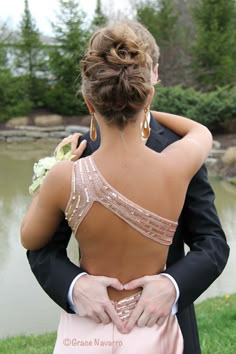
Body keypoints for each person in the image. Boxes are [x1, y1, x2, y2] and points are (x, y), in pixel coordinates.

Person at [25, 21, 229, 354]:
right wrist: (74, 287)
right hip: (91, 328)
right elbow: (42, 248)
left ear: (155, 74)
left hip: (169, 326)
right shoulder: (76, 151)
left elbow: (212, 243)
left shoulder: (175, 145)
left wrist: (172, 285)